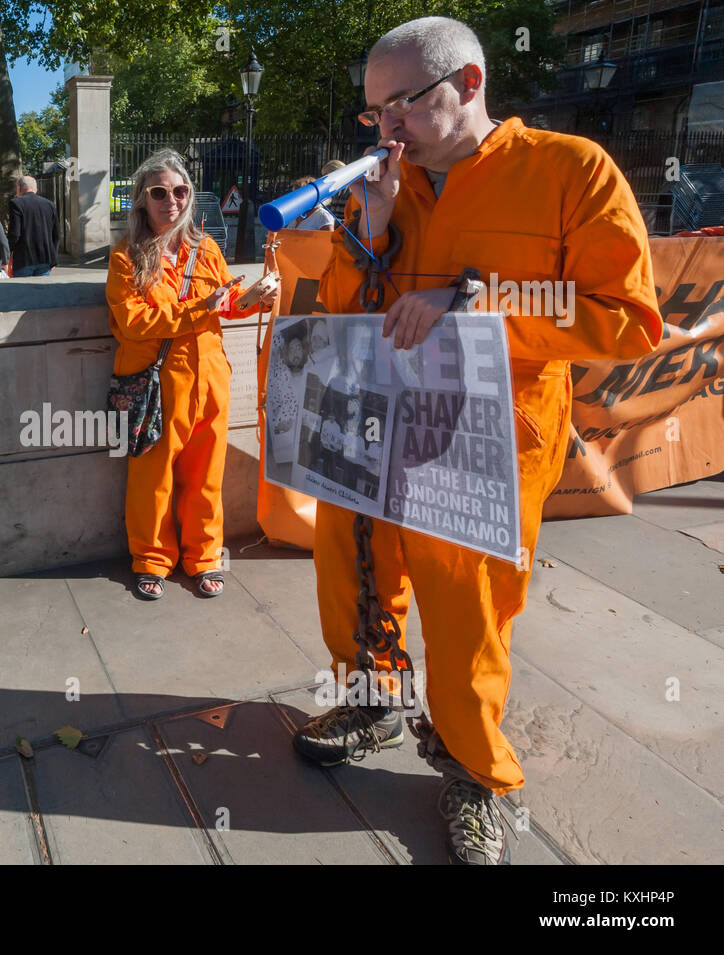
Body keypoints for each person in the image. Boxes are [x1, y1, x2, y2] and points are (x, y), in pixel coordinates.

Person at [291, 16, 662, 865]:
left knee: (467, 612)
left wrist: (482, 306)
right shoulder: (389, 183)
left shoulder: (570, 170)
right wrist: (373, 226)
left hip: (486, 438)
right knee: (350, 567)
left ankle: (478, 772)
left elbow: (630, 322)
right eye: (374, 113)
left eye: (404, 106)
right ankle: (372, 697)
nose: (388, 130)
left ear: (468, 82)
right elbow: (346, 309)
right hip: (375, 419)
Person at [105, 149, 279, 600]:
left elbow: (228, 306)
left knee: (206, 476)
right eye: (159, 192)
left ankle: (203, 556)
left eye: (180, 191)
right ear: (142, 199)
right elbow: (134, 322)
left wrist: (257, 297)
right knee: (153, 478)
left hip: (210, 378)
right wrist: (204, 306)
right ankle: (151, 558)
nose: (172, 201)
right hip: (156, 383)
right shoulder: (126, 257)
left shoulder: (207, 249)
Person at [8, 175, 60, 277]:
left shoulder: (16, 203)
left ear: (19, 188)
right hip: (45, 259)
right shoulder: (49, 204)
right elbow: (56, 235)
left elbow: (15, 234)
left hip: (24, 259)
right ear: (36, 189)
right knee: (41, 292)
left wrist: (8, 253)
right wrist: (54, 258)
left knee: (23, 291)